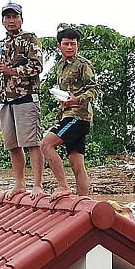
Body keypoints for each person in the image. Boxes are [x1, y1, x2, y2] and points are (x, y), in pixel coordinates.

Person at [0, 2, 44, 199]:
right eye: (7, 17)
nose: (11, 20)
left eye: (14, 16)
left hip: (26, 97)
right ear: (3, 21)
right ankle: (20, 183)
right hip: (5, 99)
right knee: (12, 145)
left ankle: (37, 185)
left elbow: (37, 67)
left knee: (32, 143)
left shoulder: (30, 39)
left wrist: (10, 70)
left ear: (21, 19)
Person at [40, 28, 98, 200]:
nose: (70, 47)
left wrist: (77, 100)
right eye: (66, 43)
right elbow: (65, 94)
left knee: (46, 144)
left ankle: (63, 186)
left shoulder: (83, 64)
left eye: (73, 43)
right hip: (67, 115)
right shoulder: (60, 66)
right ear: (59, 46)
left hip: (78, 116)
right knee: (76, 163)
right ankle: (84, 201)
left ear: (77, 45)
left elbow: (94, 89)